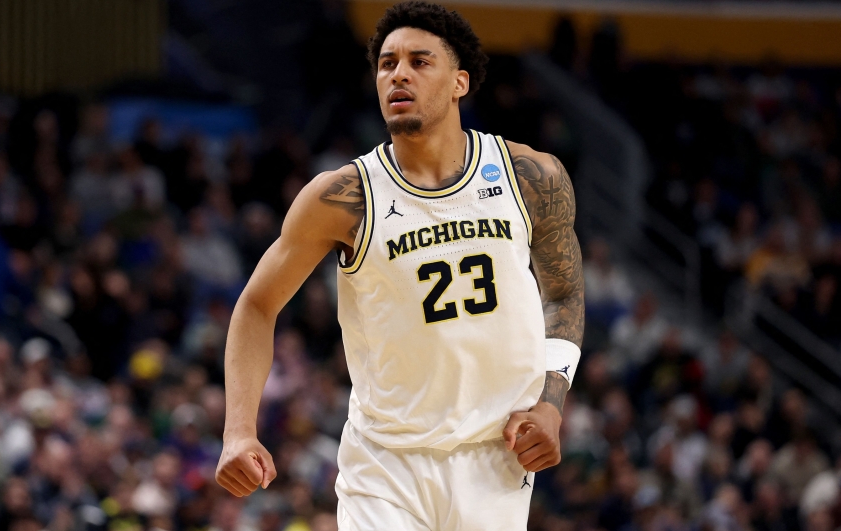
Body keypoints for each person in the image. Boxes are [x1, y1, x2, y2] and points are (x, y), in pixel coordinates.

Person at [214, 3, 585, 530]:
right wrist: (238, 432)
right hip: (385, 462)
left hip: (495, 457)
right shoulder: (342, 196)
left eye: (418, 61)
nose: (398, 74)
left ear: (460, 81)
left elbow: (564, 295)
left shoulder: (531, 175)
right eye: (386, 64)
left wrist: (551, 403)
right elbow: (256, 304)